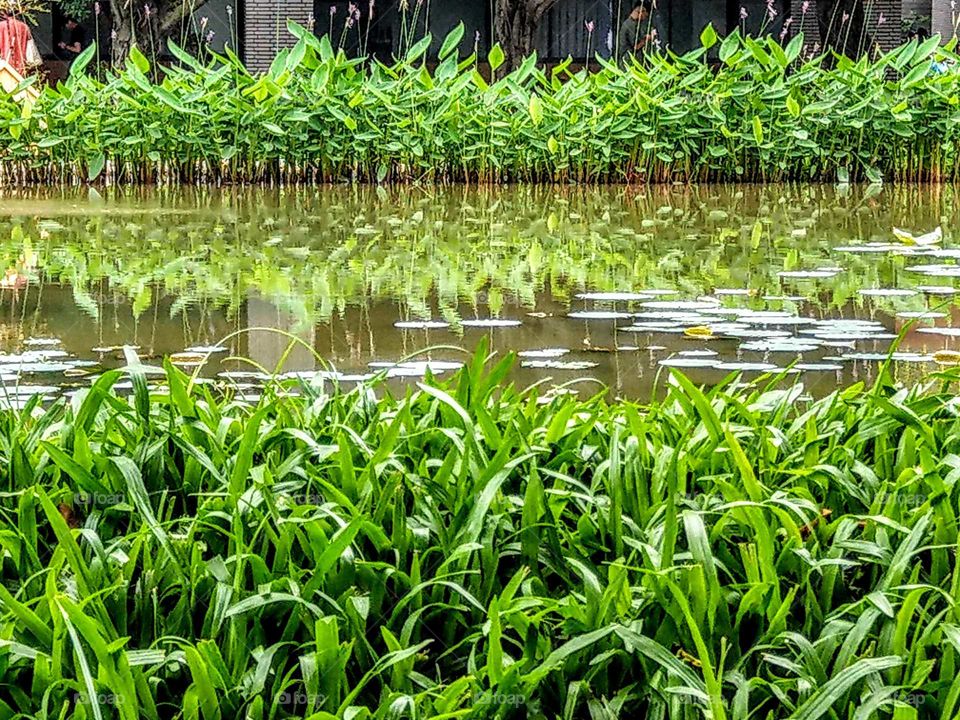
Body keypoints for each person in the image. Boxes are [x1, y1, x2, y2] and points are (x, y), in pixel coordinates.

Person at [0, 7, 34, 76]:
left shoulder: (1, 26)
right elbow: (31, 57)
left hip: (3, 67)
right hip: (20, 68)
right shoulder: (24, 27)